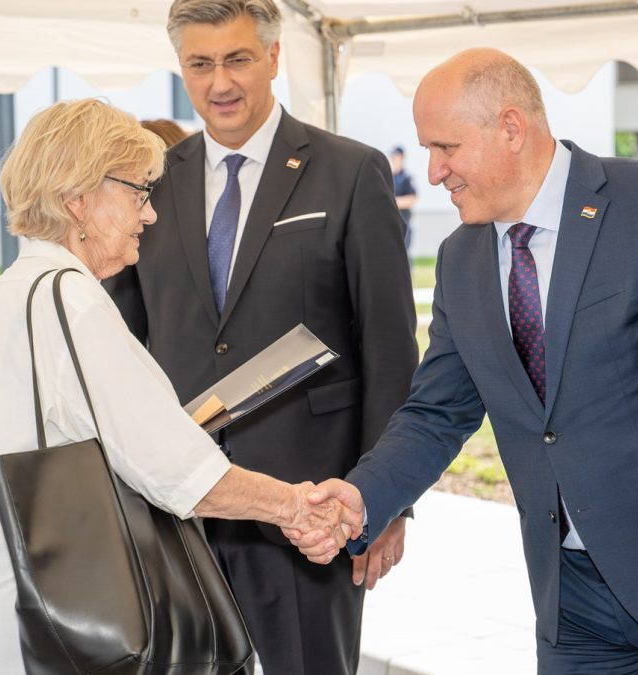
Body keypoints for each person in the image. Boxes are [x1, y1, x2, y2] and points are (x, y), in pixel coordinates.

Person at [295, 48, 638, 674]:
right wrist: (364, 496)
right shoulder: (460, 259)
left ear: (511, 127)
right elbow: (436, 413)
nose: (432, 172)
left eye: (446, 148)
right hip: (571, 599)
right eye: (427, 149)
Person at [0, 98, 358, 675]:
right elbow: (178, 472)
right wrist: (296, 505)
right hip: (43, 632)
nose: (149, 215)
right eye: (138, 192)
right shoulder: (69, 302)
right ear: (77, 199)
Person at [104, 1, 417, 673]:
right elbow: (123, 344)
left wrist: (387, 499)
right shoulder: (152, 179)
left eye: (238, 58)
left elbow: (390, 348)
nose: (220, 82)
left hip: (309, 512)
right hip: (180, 506)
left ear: (275, 57)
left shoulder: (349, 170)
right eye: (200, 63)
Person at [389, 146, 417, 250]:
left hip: (403, 222)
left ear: (401, 157)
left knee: (404, 254)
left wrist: (393, 202)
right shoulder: (391, 176)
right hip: (392, 223)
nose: (392, 159)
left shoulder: (406, 177)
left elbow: (413, 198)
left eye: (395, 156)